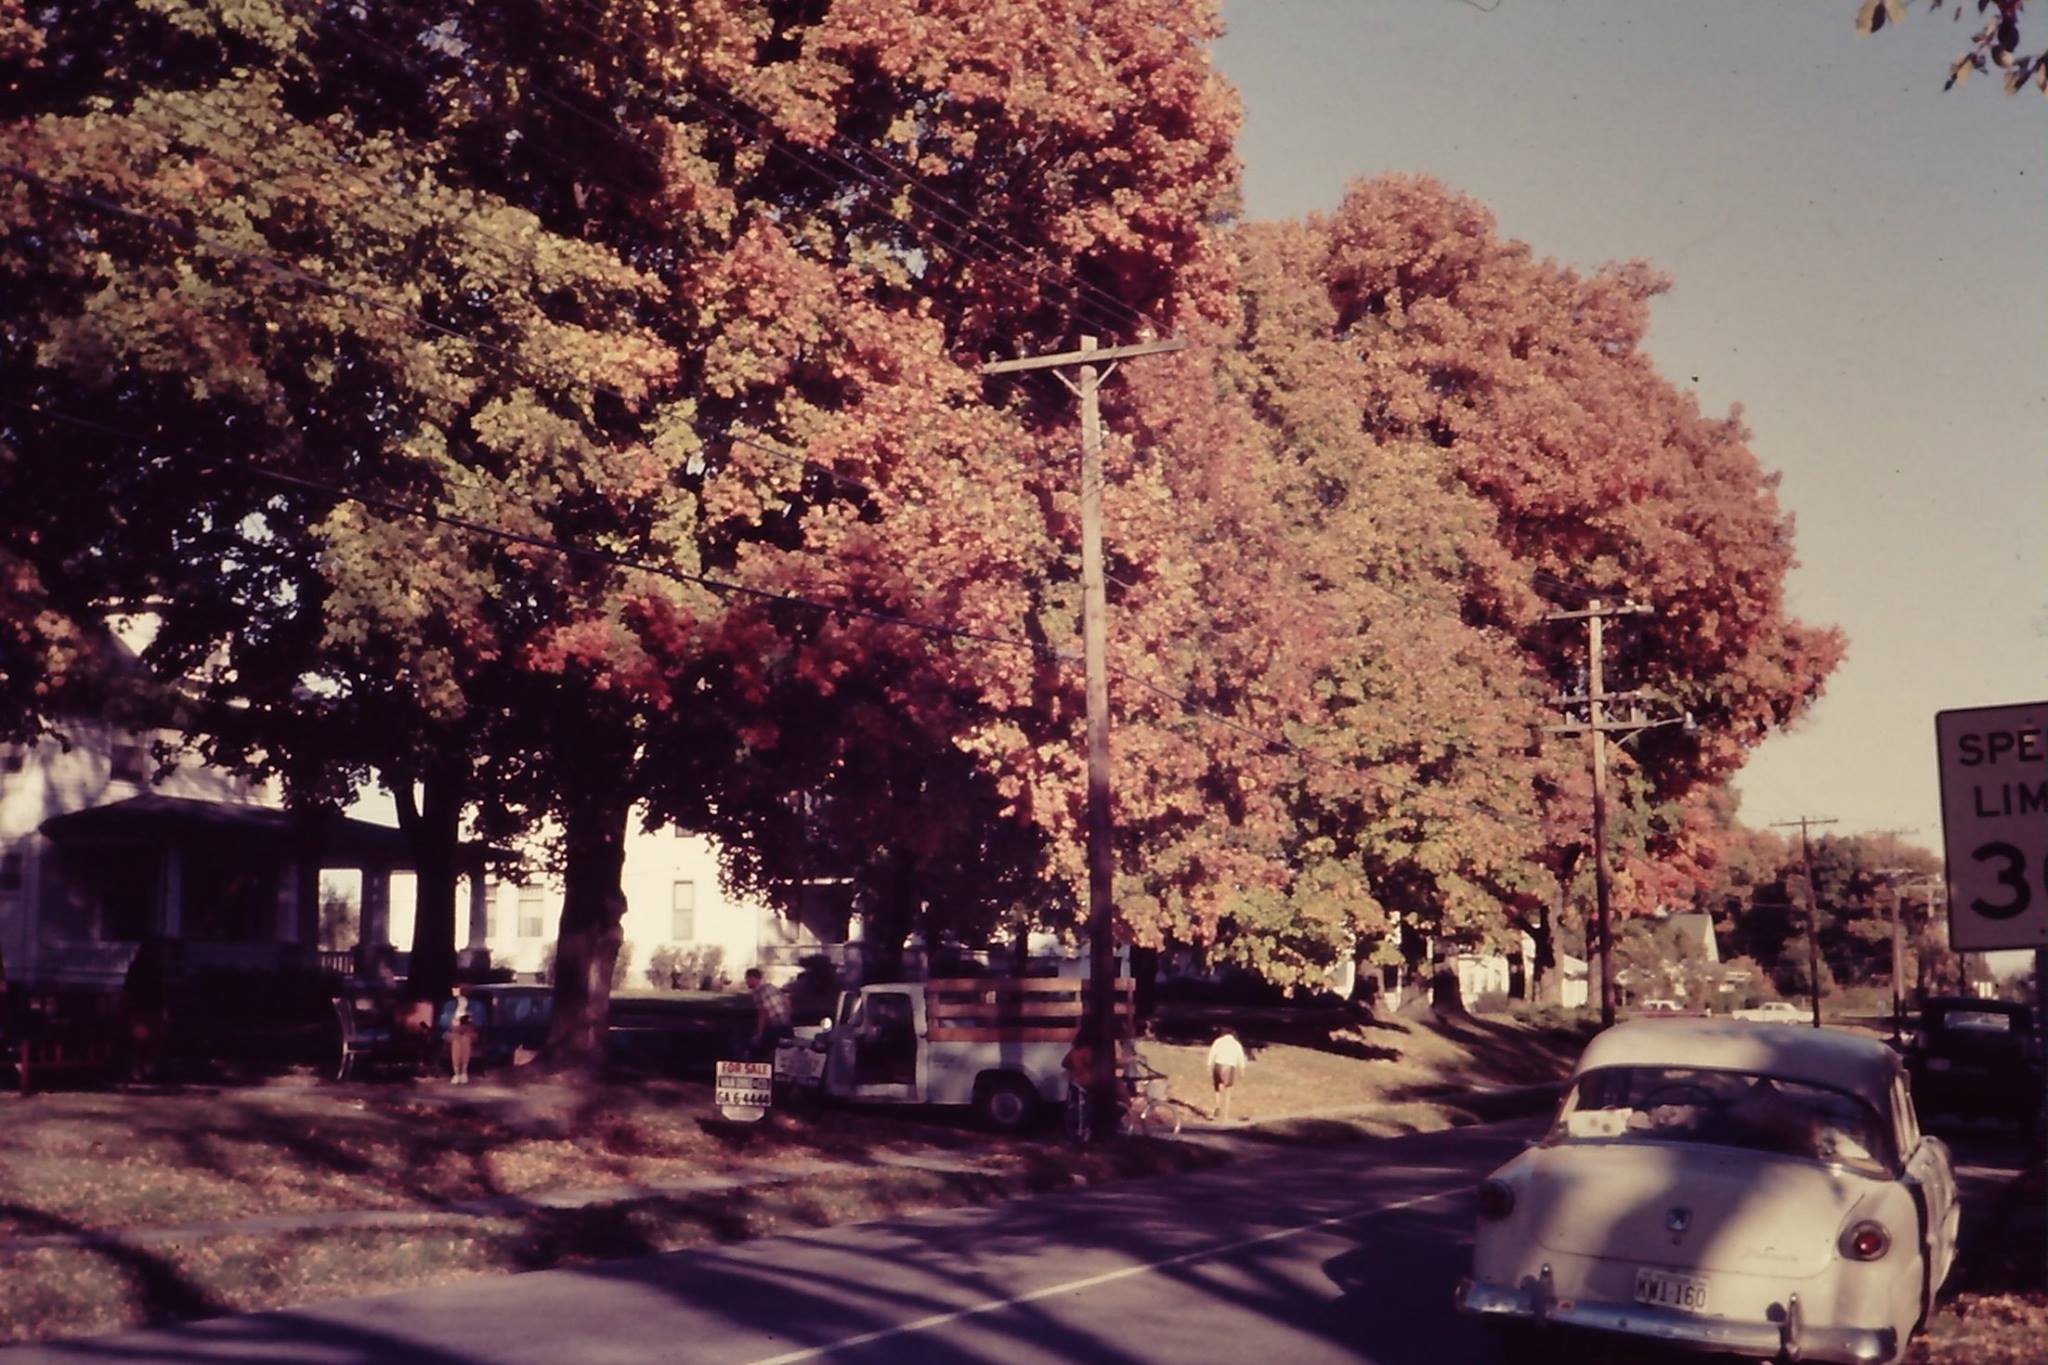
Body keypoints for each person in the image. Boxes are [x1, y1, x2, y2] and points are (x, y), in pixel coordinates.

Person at [746, 967, 793, 1059]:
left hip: (774, 1027)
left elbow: (763, 1012)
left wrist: (759, 1034)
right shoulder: (772, 987)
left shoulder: (757, 992)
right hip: (786, 1024)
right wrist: (787, 1017)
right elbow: (787, 1002)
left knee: (757, 1050)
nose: (746, 982)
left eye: (747, 979)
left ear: (752, 978)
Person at [1207, 1025, 1247, 1122]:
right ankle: (1226, 1116)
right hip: (1229, 1067)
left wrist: (1209, 1066)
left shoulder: (1218, 1041)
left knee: (1217, 1087)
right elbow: (1241, 1058)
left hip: (1218, 1065)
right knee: (1228, 1091)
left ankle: (1217, 1105)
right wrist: (1242, 1071)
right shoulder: (1236, 1044)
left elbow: (1212, 1054)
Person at [447, 1004, 479, 1085]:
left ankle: (464, 1072)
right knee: (456, 1042)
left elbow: (473, 1028)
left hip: (467, 1035)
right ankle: (456, 1073)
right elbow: (450, 1029)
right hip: (455, 1035)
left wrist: (469, 1022)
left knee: (465, 1040)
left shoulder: (470, 1014)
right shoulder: (451, 1015)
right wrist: (455, 1024)